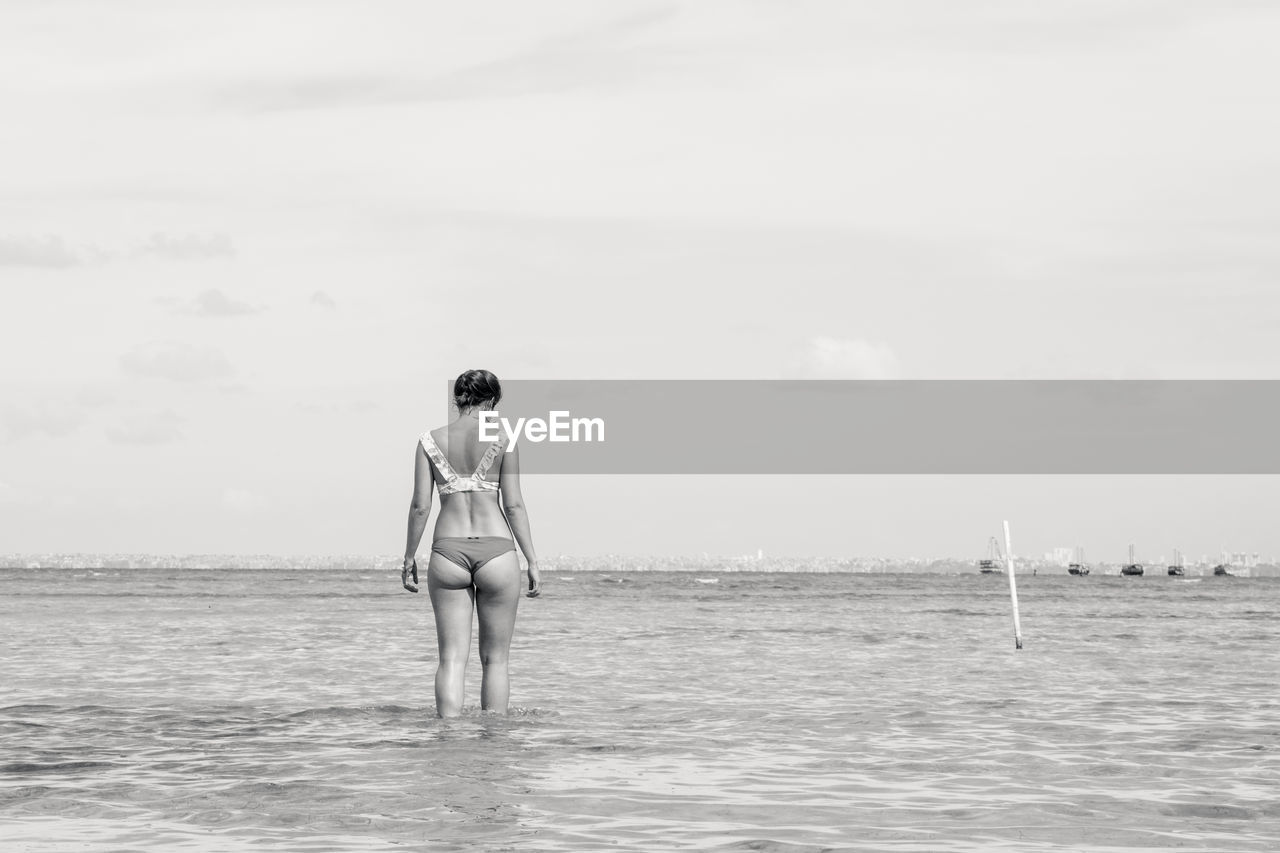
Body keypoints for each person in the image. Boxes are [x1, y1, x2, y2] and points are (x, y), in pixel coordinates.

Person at [402, 369, 541, 717]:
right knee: (496, 660)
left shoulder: (428, 441)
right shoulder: (505, 439)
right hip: (497, 552)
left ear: (458, 399)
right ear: (492, 400)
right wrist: (532, 560)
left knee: (451, 659)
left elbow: (421, 506)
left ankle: (447, 739)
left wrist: (408, 557)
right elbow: (513, 504)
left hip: (447, 551)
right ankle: (492, 743)